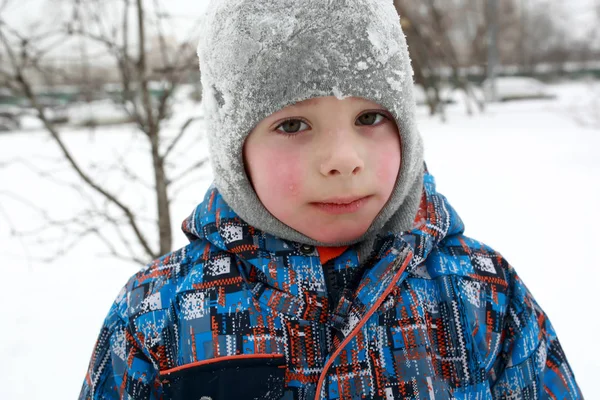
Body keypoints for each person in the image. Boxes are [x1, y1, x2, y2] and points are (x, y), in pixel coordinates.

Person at [79, 0, 583, 399]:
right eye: (293, 124)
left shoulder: (483, 294)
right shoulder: (160, 313)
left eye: (370, 118)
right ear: (235, 151)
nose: (343, 159)